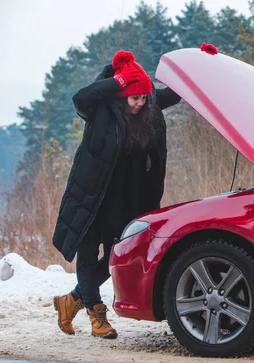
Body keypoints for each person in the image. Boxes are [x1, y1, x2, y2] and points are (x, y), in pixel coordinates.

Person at [52, 50, 181, 339]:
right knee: (86, 257)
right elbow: (81, 98)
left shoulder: (149, 106)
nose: (139, 103)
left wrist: (200, 67)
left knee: (115, 256)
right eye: (134, 98)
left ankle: (70, 300)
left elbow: (175, 94)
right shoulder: (100, 110)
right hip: (91, 197)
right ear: (122, 95)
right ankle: (98, 317)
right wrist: (114, 76)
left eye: (143, 98)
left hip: (127, 201)